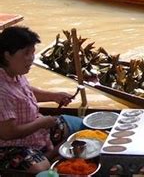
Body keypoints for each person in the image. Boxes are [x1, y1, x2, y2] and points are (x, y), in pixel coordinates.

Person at [0, 26, 83, 174]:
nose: (31, 58)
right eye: (26, 53)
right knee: (40, 168)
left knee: (81, 128)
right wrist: (42, 123)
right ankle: (50, 156)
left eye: (32, 52)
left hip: (36, 131)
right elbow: (8, 133)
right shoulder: (1, 89)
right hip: (10, 145)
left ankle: (52, 152)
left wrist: (53, 96)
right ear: (7, 55)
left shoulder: (14, 72)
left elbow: (26, 91)